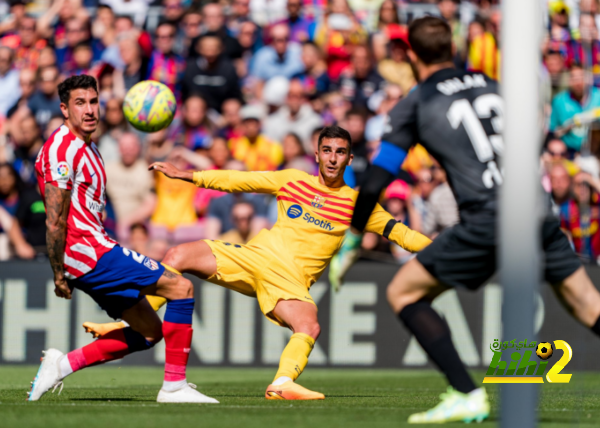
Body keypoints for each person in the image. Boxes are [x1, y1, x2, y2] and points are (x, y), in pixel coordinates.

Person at [330, 17, 600, 424]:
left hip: (490, 217)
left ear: (409, 54)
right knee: (592, 309)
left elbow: (374, 182)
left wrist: (353, 235)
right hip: (536, 209)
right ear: (453, 46)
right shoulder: (494, 87)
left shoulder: (416, 102)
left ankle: (466, 393)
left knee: (403, 293)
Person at [87, 125, 430, 400]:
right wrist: (186, 175)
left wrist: (442, 250)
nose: (332, 158)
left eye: (340, 152)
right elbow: (239, 180)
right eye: (327, 150)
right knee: (178, 256)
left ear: (350, 158)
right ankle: (132, 323)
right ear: (317, 154)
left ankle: (281, 384)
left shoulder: (358, 205)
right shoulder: (293, 180)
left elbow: (402, 234)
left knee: (309, 326)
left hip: (291, 282)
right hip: (254, 257)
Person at [28, 74, 216, 404]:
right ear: (64, 109)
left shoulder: (90, 148)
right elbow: (54, 220)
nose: (89, 110)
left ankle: (61, 364)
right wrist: (59, 272)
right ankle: (174, 386)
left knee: (149, 332)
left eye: (94, 101)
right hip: (88, 253)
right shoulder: (62, 150)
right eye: (80, 103)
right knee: (180, 288)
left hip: (91, 248)